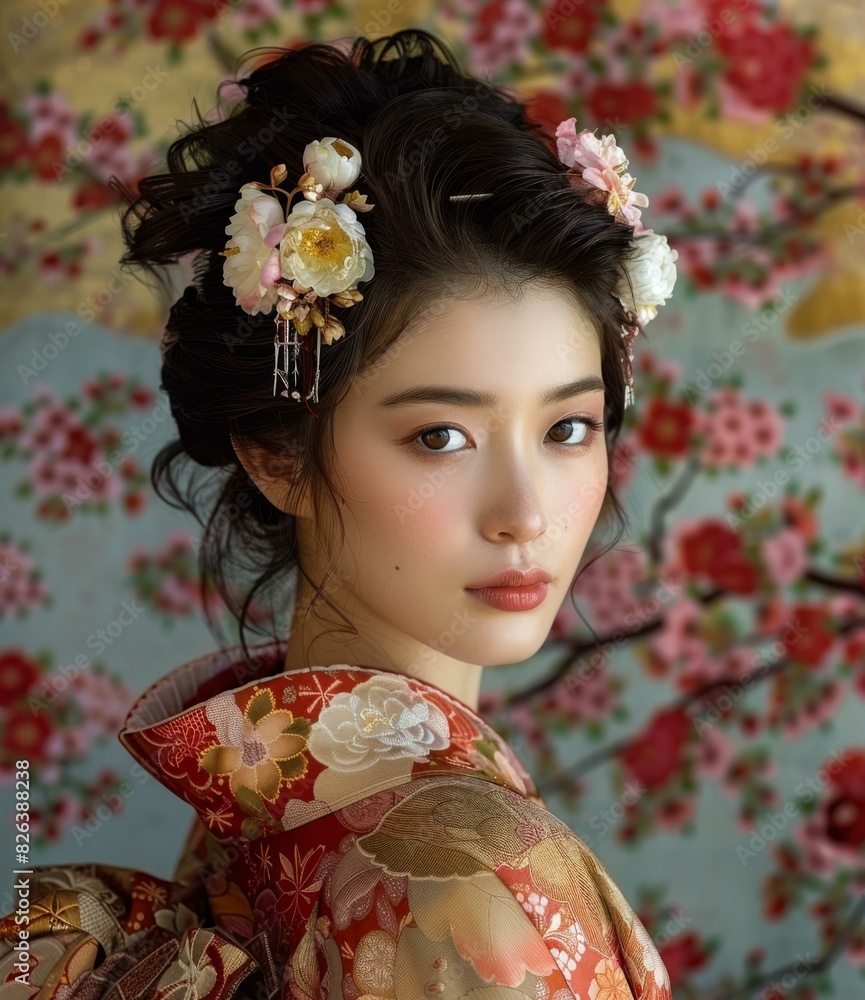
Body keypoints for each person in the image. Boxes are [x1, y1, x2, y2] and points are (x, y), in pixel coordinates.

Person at [0, 27, 679, 999]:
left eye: (568, 427)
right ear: (278, 456)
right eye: (440, 437)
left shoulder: (262, 821)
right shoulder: (473, 889)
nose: (524, 512)